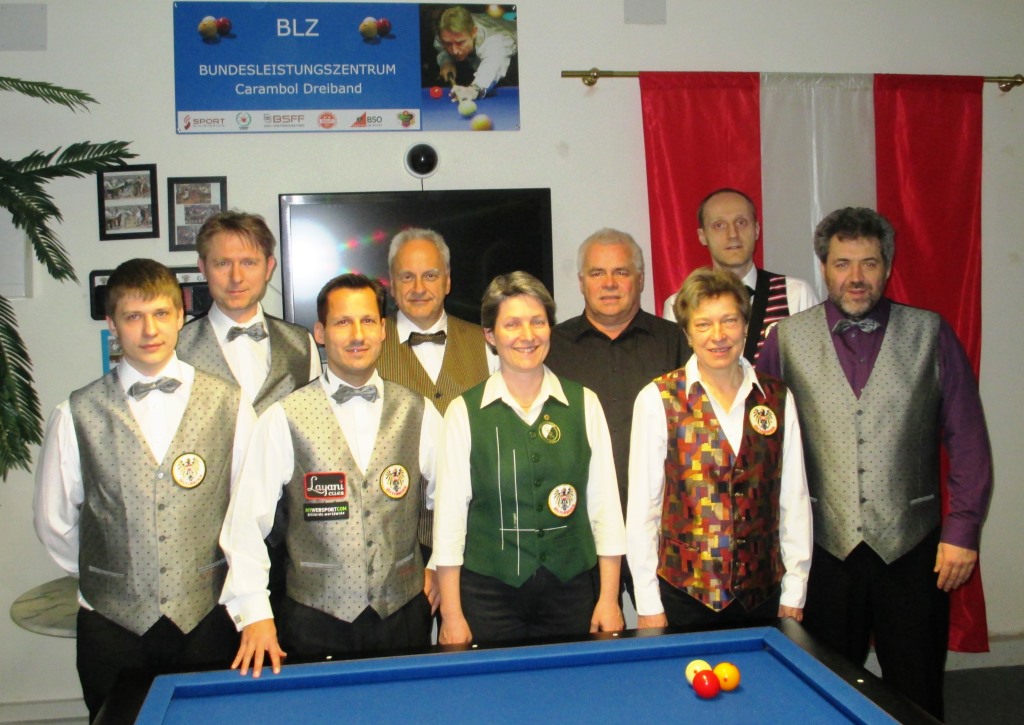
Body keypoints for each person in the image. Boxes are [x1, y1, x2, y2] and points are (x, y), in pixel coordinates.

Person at [757, 207, 993, 719]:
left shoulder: (930, 333)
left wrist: (962, 530)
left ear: (887, 266)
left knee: (916, 690)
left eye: (869, 262)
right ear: (824, 267)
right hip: (823, 549)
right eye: (843, 263)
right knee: (823, 689)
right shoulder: (786, 340)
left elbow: (969, 439)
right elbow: (762, 447)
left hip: (912, 549)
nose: (856, 276)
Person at [33, 259, 256, 720]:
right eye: (133, 316)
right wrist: (115, 574)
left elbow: (248, 512)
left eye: (160, 313)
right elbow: (54, 522)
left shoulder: (230, 404)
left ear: (181, 316)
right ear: (112, 324)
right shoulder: (75, 413)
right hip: (112, 625)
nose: (149, 329)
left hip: (207, 617)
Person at [219, 273, 443, 678]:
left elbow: (454, 501)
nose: (357, 334)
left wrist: (440, 563)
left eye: (367, 321)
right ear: (320, 333)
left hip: (403, 615)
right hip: (313, 620)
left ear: (383, 329)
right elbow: (245, 524)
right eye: (342, 322)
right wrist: (254, 612)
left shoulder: (419, 410)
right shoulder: (282, 418)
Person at [433, 272, 626, 645]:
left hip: (571, 591)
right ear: (490, 335)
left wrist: (608, 598)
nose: (527, 335)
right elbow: (450, 521)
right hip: (488, 595)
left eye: (538, 321)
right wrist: (452, 614)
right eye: (512, 324)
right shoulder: (463, 412)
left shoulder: (584, 404)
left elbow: (605, 509)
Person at [627, 267, 811, 631]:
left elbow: (794, 500)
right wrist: (648, 602)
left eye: (729, 321)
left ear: (745, 326)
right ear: (687, 333)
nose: (718, 335)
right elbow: (643, 511)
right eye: (703, 324)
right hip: (686, 596)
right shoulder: (657, 399)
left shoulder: (776, 398)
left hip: (764, 595)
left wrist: (796, 589)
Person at [177, 210, 321, 615]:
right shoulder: (176, 349)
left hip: (286, 544)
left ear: (269, 267)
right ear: (203, 267)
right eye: (223, 263)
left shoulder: (302, 344)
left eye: (249, 262)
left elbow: (311, 443)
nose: (236, 276)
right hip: (202, 547)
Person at [545, 228, 690, 598]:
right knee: (590, 632)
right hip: (578, 533)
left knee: (663, 629)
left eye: (621, 272)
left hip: (664, 531)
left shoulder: (675, 342)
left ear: (640, 279)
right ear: (581, 282)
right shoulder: (551, 348)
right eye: (597, 273)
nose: (609, 283)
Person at [376, 228, 498, 610]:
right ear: (391, 284)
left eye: (430, 275)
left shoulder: (488, 343)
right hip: (395, 544)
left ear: (447, 281)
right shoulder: (368, 346)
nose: (418, 287)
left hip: (476, 538)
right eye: (406, 276)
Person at [662, 188, 819, 363]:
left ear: (757, 229)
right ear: (702, 236)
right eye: (719, 225)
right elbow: (681, 371)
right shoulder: (680, 304)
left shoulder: (796, 294)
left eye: (741, 222)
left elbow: (814, 367)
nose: (732, 234)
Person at [434, 5, 517, 102]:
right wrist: (446, 61)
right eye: (448, 43)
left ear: (474, 32)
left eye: (460, 43)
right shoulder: (448, 32)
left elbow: (492, 65)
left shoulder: (496, 42)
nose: (455, 51)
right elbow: (440, 44)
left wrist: (473, 90)